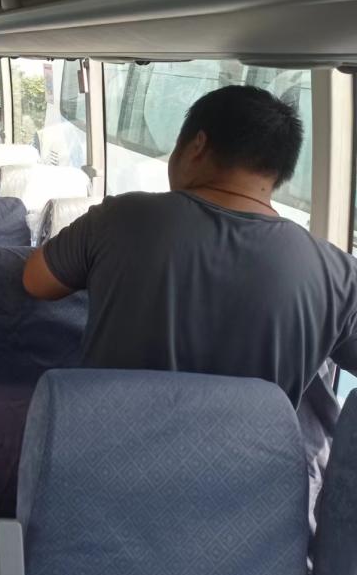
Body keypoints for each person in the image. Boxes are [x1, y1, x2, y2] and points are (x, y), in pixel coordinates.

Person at [22, 84, 357, 525]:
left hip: (102, 494)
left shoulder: (121, 218)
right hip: (245, 520)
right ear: (279, 169)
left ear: (197, 144)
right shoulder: (336, 274)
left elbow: (35, 282)